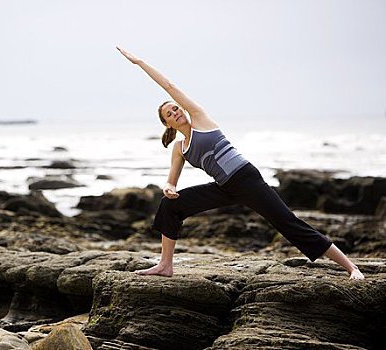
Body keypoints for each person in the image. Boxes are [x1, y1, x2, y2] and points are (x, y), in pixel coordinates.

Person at [117, 46, 364, 280]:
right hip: (224, 187)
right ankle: (165, 265)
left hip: (246, 178)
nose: (175, 112)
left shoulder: (200, 118)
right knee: (171, 206)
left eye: (175, 108)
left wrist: (139, 63)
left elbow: (169, 86)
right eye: (169, 114)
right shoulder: (179, 149)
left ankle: (351, 267)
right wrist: (169, 188)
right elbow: (171, 181)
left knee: (288, 223)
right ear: (168, 124)